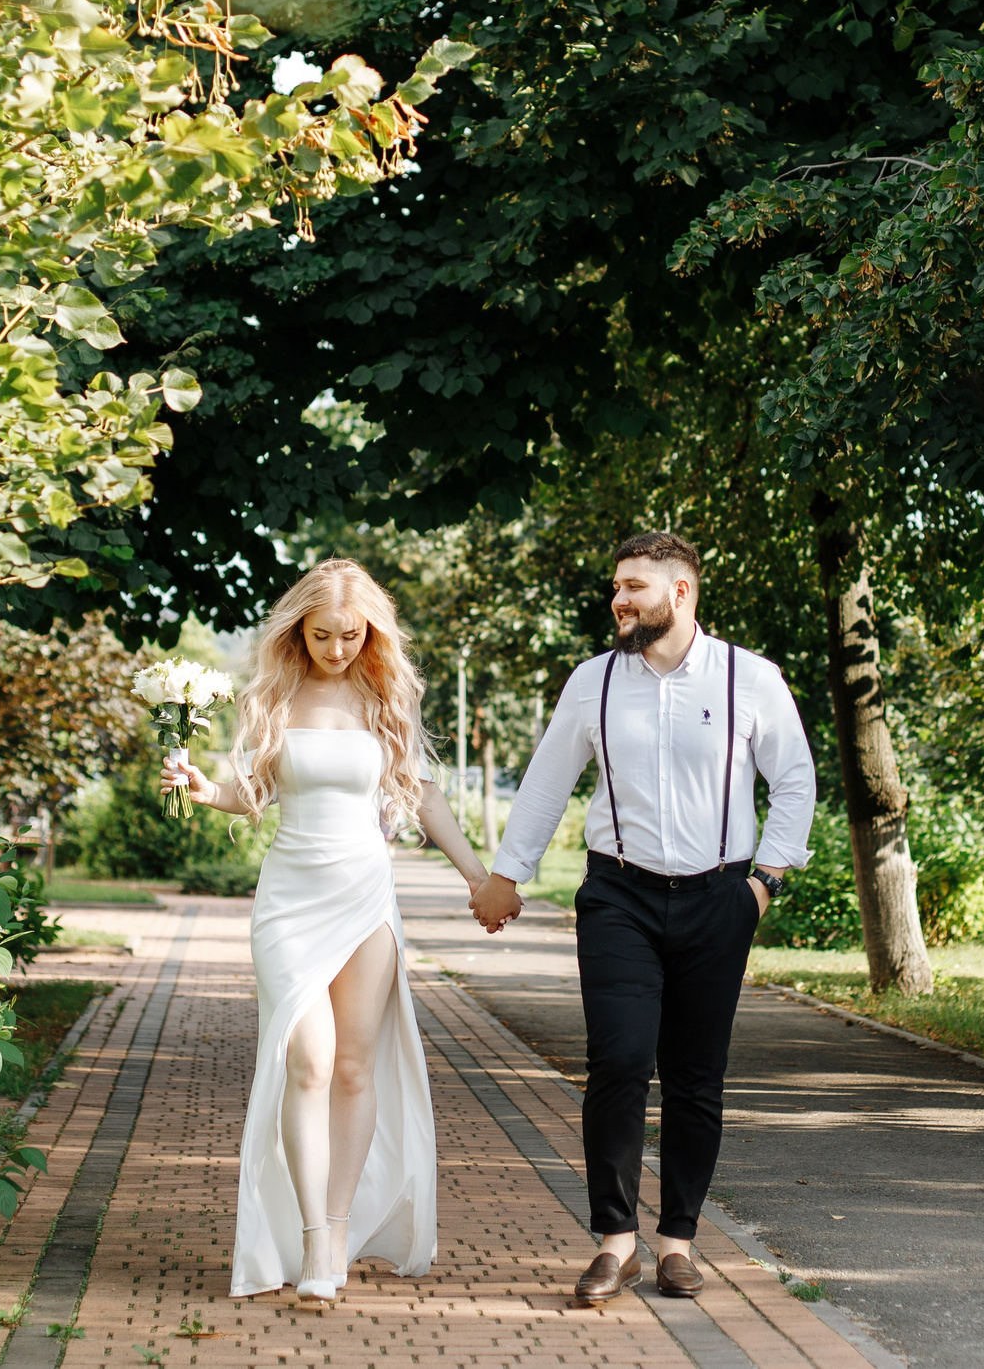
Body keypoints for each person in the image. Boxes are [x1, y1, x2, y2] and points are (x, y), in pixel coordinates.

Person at [469, 531, 816, 1306]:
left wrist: (763, 883)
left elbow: (795, 781)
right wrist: (505, 876)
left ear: (681, 590)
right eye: (616, 586)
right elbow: (546, 782)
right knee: (620, 1062)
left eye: (633, 585)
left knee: (696, 1077)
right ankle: (616, 1241)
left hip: (719, 897)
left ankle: (678, 1241)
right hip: (618, 897)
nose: (619, 598)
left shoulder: (748, 679)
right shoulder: (593, 682)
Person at [162, 558, 492, 1303]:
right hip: (289, 899)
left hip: (365, 896)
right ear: (298, 629)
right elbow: (254, 795)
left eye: (350, 634)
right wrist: (203, 788)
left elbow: (425, 795)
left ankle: (338, 1225)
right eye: (321, 634)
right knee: (306, 1060)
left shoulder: (384, 698)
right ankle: (312, 1235)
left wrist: (478, 876)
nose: (336, 648)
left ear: (368, 630)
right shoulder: (277, 693)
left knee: (353, 1067)